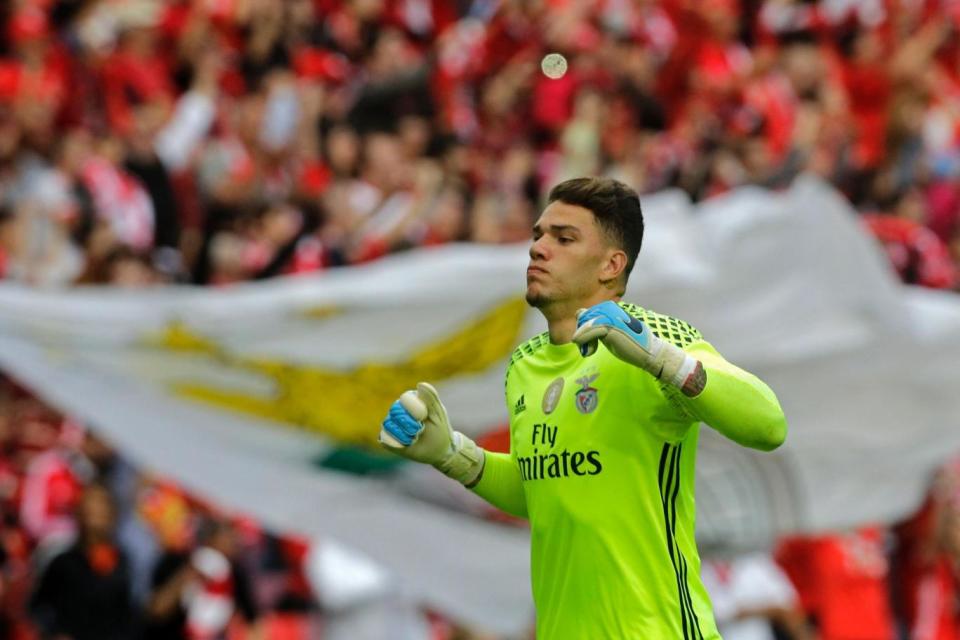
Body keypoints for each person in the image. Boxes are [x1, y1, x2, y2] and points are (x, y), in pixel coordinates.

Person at [379, 177, 788, 638]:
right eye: (538, 235)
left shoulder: (653, 338)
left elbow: (768, 424)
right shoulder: (524, 365)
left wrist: (661, 359)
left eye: (564, 238)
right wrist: (452, 455)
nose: (538, 248)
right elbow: (546, 487)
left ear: (611, 265)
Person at [29, 483, 135, 640]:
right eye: (89, 504)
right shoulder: (63, 562)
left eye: (101, 504)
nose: (95, 510)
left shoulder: (123, 562)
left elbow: (128, 615)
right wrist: (55, 633)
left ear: (113, 514)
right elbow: (39, 608)